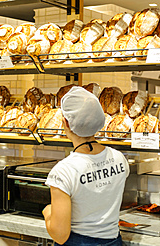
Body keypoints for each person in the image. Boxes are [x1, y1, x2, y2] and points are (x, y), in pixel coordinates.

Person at [43, 86, 129, 246]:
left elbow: (60, 235)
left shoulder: (63, 172)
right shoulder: (119, 158)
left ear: (65, 123)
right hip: (113, 242)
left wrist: (47, 212)